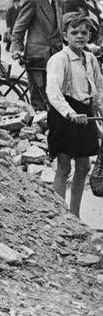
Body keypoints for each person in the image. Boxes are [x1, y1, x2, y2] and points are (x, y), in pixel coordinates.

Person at [45, 11, 103, 217]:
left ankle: (74, 214)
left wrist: (100, 106)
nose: (80, 36)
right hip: (64, 115)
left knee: (84, 166)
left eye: (84, 32)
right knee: (63, 166)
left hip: (85, 114)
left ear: (89, 36)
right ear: (64, 35)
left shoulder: (90, 59)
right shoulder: (59, 60)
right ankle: (60, 216)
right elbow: (53, 92)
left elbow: (98, 87)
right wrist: (70, 114)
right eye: (74, 32)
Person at [9, 0, 66, 111]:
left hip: (56, 55)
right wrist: (17, 48)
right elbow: (19, 28)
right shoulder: (33, 0)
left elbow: (62, 30)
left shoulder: (60, 3)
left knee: (55, 94)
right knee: (38, 96)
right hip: (37, 56)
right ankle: (38, 127)